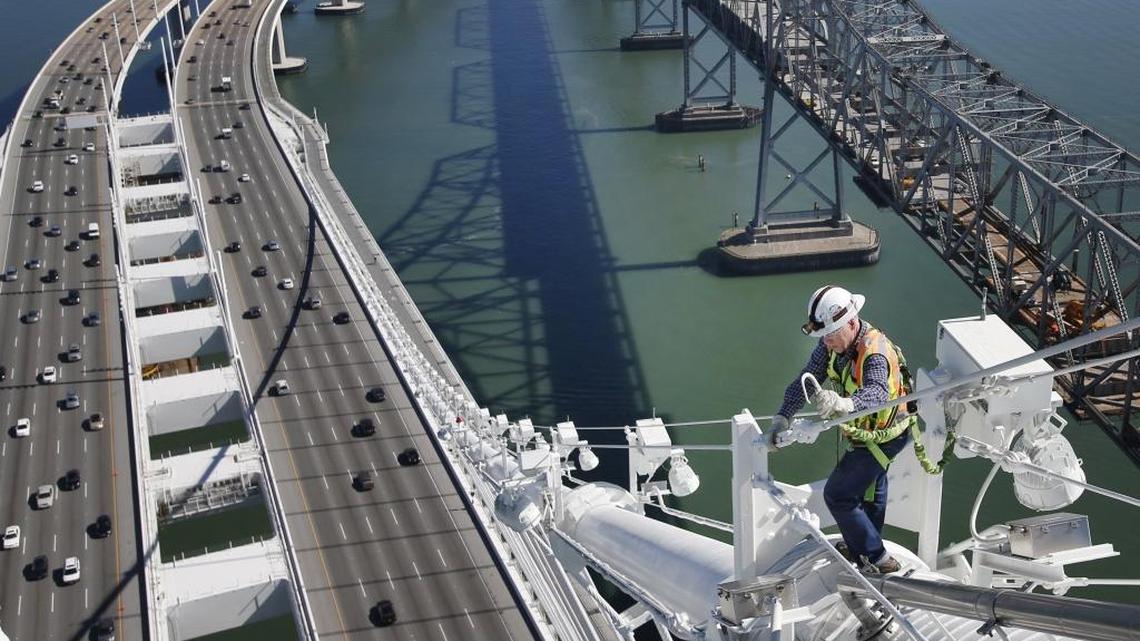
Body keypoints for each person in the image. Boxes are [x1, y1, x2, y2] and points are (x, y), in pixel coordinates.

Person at [769, 285, 913, 574]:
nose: (828, 342)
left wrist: (844, 404)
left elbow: (876, 393)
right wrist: (783, 416)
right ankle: (860, 544)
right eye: (824, 336)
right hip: (869, 431)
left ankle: (878, 558)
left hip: (886, 434)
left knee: (839, 494)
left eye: (832, 335)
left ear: (851, 323)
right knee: (871, 489)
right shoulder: (831, 345)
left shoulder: (874, 352)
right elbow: (805, 381)